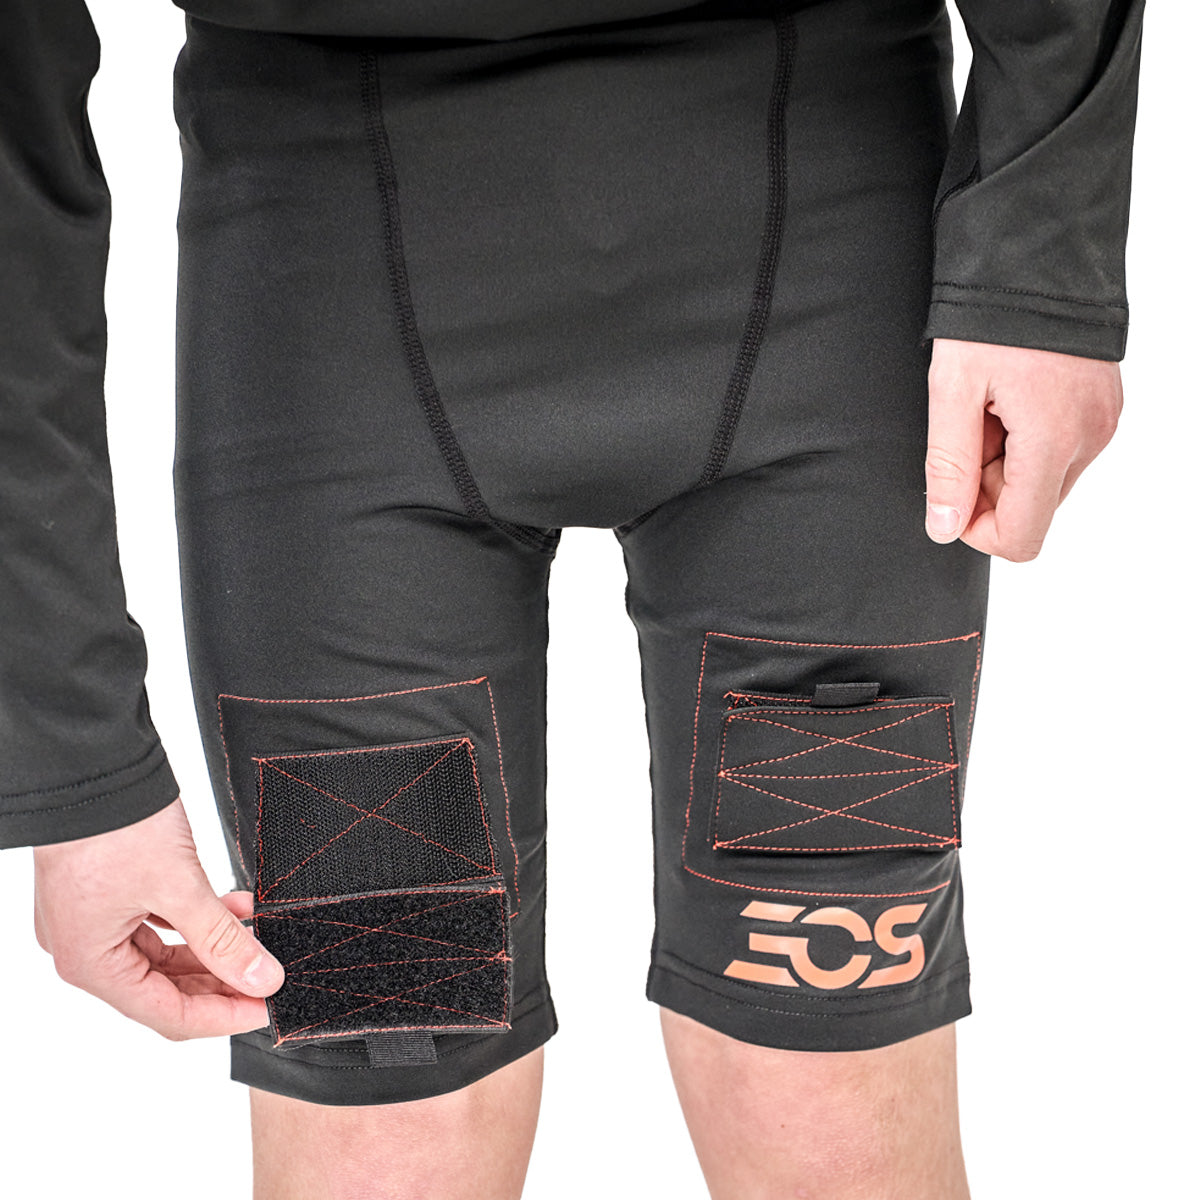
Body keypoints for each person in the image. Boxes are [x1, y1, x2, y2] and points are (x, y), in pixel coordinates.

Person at [1, 0, 1144, 1196]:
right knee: (387, 1107)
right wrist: (72, 762)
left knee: (832, 1099)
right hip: (333, 306)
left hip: (829, 242)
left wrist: (1043, 255)